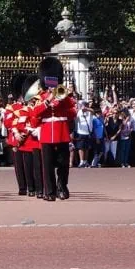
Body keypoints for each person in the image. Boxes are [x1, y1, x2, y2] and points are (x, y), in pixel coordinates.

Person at [29, 58, 77, 201]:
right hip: (46, 133)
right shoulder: (41, 97)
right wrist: (48, 100)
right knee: (48, 164)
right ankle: (49, 191)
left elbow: (73, 112)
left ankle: (62, 186)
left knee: (63, 163)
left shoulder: (64, 95)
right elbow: (35, 114)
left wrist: (63, 98)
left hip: (61, 132)